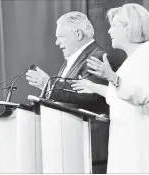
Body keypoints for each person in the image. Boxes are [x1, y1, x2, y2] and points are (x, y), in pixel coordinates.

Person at [71, 3, 149, 173]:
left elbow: (141, 95)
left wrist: (112, 77)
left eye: (114, 26)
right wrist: (93, 86)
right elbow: (121, 95)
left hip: (142, 152)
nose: (109, 31)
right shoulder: (136, 58)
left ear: (130, 28)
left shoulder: (147, 56)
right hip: (131, 146)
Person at [25, 11, 120, 173]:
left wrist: (49, 85)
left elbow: (89, 94)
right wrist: (47, 88)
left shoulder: (98, 57)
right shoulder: (70, 61)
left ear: (77, 34)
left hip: (89, 145)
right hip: (68, 143)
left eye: (61, 37)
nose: (56, 42)